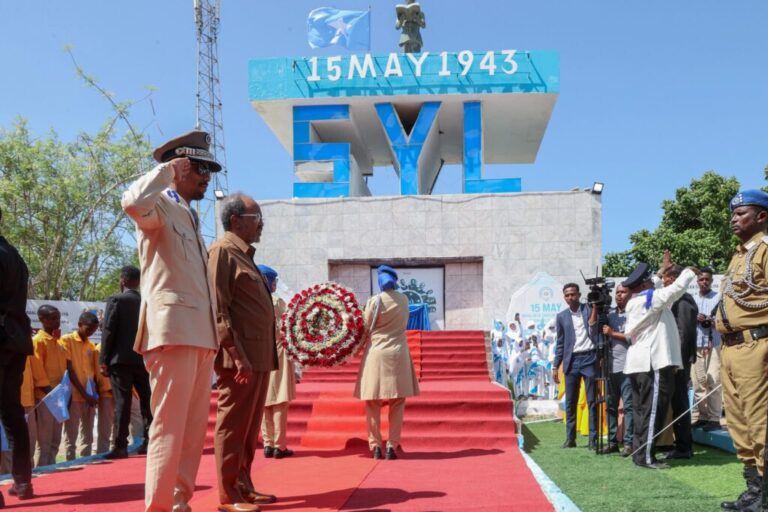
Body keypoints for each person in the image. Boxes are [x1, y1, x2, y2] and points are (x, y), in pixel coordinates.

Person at [121, 130, 220, 512]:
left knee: (193, 432)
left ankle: (180, 502)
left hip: (201, 335)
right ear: (178, 166)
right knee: (168, 427)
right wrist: (163, 173)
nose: (206, 177)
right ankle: (159, 507)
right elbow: (131, 202)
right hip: (173, 332)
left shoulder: (189, 215)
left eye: (209, 169)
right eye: (200, 168)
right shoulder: (159, 204)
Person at [208, 193, 278, 511]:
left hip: (258, 356)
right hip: (240, 358)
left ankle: (244, 485)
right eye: (256, 218)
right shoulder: (222, 252)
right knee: (233, 424)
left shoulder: (245, 255)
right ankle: (227, 495)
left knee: (249, 428)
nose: (260, 224)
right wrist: (236, 354)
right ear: (236, 221)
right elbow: (218, 309)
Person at [714, 190, 768, 511]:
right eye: (733, 214)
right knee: (737, 422)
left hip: (755, 345)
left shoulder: (764, 251)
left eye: (741, 214)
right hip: (731, 348)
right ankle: (754, 488)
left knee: (760, 421)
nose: (734, 219)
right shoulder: (739, 255)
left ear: (761, 216)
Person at [623, 260, 697, 470]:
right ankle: (646, 457)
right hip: (652, 364)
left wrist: (659, 271)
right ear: (642, 286)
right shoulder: (650, 300)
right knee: (652, 411)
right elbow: (675, 289)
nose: (653, 282)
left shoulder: (639, 300)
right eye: (648, 281)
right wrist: (689, 271)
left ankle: (640, 453)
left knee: (641, 412)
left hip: (640, 365)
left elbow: (654, 285)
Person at [354, 265, 420, 460]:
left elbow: (366, 327)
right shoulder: (404, 300)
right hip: (399, 353)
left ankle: (375, 446)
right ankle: (392, 445)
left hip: (377, 353)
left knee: (373, 402)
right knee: (398, 402)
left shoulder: (375, 301)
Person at [99, 265, 152, 459]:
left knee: (123, 402)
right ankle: (150, 441)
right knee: (147, 401)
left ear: (122, 280)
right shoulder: (146, 301)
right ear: (138, 281)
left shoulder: (116, 300)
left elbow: (109, 331)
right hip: (143, 358)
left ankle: (120, 446)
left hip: (120, 361)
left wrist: (103, 359)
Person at [0, 207, 35, 501]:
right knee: (12, 411)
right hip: (16, 340)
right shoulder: (15, 255)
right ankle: (23, 482)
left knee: (11, 412)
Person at [259, 265, 298, 460]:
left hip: (258, 354)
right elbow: (288, 326)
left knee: (264, 402)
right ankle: (279, 446)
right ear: (268, 281)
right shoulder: (276, 302)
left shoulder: (252, 301)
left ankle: (267, 443)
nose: (275, 285)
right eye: (274, 281)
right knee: (280, 401)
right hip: (278, 352)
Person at [553, 283, 598, 449]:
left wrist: (595, 307)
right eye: (567, 295)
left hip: (589, 358)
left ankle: (593, 439)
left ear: (579, 295)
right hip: (571, 361)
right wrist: (555, 365)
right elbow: (560, 343)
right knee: (570, 402)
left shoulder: (588, 309)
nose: (570, 297)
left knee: (592, 400)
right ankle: (570, 438)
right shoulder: (561, 316)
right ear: (564, 297)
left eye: (573, 294)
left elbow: (595, 326)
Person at [661, 265, 698, 460]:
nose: (665, 283)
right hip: (675, 360)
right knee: (676, 402)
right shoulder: (675, 299)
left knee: (680, 402)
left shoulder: (683, 301)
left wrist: (678, 362)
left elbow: (685, 334)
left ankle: (684, 446)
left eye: (667, 280)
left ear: (675, 279)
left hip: (679, 362)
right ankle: (680, 444)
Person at [59, 311, 100, 460]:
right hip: (74, 396)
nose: (91, 332)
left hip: (89, 397)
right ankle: (69, 462)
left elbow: (93, 372)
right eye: (89, 328)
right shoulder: (66, 340)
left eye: (94, 329)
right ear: (79, 325)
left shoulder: (91, 345)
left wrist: (93, 394)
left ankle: (86, 462)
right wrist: (84, 394)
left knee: (88, 435)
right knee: (71, 434)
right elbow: (69, 369)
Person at [599, 284, 634, 457]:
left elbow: (633, 337)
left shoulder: (634, 312)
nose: (619, 295)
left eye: (623, 292)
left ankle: (628, 443)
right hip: (610, 367)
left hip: (628, 367)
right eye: (617, 292)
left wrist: (612, 333)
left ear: (630, 294)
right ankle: (612, 442)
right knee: (610, 407)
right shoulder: (609, 314)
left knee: (628, 406)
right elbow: (594, 329)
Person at [691, 267, 723, 432]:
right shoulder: (692, 299)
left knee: (714, 381)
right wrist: (694, 318)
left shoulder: (718, 298)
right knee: (698, 384)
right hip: (696, 345)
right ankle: (702, 417)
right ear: (697, 281)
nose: (704, 282)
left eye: (707, 280)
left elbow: (725, 321)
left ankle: (714, 418)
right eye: (701, 279)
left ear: (711, 281)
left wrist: (711, 321)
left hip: (714, 345)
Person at [32, 305, 63, 467]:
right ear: (42, 320)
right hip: (46, 396)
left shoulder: (58, 342)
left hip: (59, 396)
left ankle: (52, 468)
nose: (56, 321)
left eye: (57, 317)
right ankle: (41, 471)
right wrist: (50, 392)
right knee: (44, 439)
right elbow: (38, 370)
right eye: (52, 318)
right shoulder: (38, 341)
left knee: (56, 438)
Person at [93, 342, 115, 454]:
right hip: (107, 393)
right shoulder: (100, 348)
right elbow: (99, 372)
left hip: (119, 392)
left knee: (118, 426)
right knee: (105, 428)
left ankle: (116, 450)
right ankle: (102, 453)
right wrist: (109, 388)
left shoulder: (117, 344)